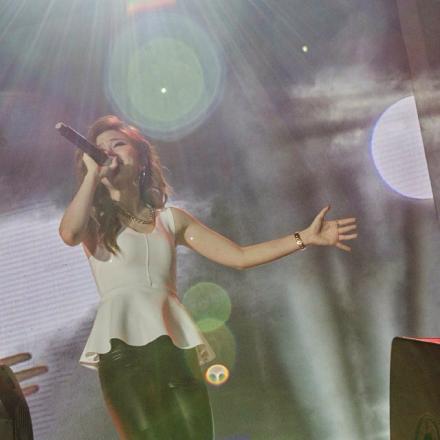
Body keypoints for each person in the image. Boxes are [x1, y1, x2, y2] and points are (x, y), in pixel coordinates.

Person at [58, 115, 357, 440]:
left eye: (118, 144)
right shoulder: (93, 219)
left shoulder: (171, 220)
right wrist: (92, 174)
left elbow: (239, 256)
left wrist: (304, 238)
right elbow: (69, 234)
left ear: (140, 158)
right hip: (122, 351)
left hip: (174, 345)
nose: (109, 153)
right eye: (101, 149)